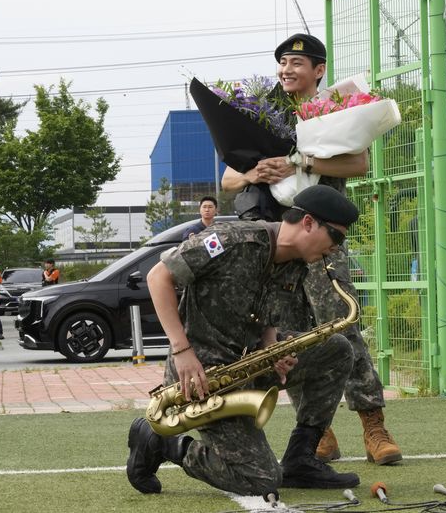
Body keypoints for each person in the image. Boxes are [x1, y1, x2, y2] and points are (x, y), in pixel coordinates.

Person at [221, 33, 402, 466]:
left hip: (321, 239)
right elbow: (228, 180)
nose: (287, 70)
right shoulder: (261, 114)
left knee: (342, 324)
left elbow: (358, 164)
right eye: (282, 62)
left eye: (296, 63)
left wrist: (300, 162)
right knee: (289, 337)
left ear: (319, 70)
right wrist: (254, 174)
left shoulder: (338, 110)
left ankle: (373, 425)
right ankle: (318, 432)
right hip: (278, 243)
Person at [126, 185, 361, 496]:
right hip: (201, 374)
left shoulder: (297, 264)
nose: (337, 249)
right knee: (260, 479)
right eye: (337, 238)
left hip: (249, 363)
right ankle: (163, 442)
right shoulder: (230, 239)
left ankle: (301, 459)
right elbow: (159, 277)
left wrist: (271, 346)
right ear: (308, 223)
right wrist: (181, 349)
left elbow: (267, 316)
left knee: (338, 349)